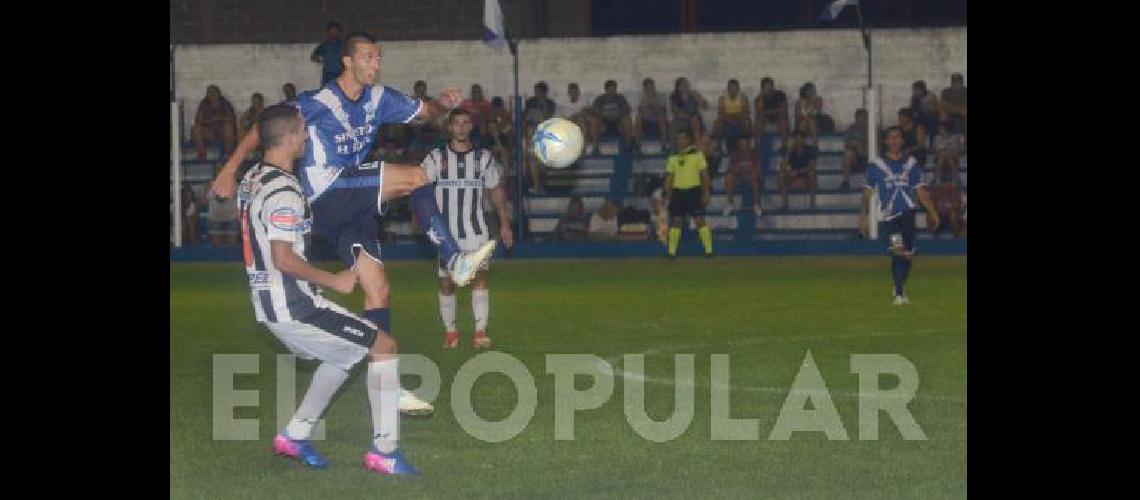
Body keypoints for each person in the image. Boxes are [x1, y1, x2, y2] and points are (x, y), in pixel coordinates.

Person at [211, 31, 496, 416]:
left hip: (352, 208)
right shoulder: (318, 102)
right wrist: (230, 169)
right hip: (326, 192)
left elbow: (425, 113)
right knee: (416, 177)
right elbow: (265, 127)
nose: (374, 65)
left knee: (378, 289)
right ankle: (454, 258)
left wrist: (443, 105)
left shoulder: (381, 99)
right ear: (347, 61)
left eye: (378, 57)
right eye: (367, 57)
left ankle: (387, 387)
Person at [239, 104, 417, 474]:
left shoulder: (253, 177)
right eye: (303, 130)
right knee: (384, 346)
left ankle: (294, 435)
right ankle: (385, 452)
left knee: (343, 357)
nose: (307, 136)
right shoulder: (285, 191)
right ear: (288, 137)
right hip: (295, 306)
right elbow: (284, 257)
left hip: (272, 303)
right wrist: (334, 279)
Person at [421, 108, 514, 350]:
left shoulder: (484, 158)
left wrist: (504, 222)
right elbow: (419, 188)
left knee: (479, 279)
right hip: (446, 233)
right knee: (446, 283)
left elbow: (495, 190)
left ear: (471, 127)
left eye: (465, 123)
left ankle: (480, 332)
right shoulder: (435, 158)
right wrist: (421, 218)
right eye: (457, 123)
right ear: (449, 128)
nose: (461, 127)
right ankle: (451, 333)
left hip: (476, 231)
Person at [859, 126, 940, 305]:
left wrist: (932, 212)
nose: (894, 141)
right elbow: (867, 193)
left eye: (897, 137)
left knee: (908, 254)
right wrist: (863, 216)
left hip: (908, 215)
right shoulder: (876, 166)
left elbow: (920, 191)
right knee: (897, 252)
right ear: (885, 141)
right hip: (889, 218)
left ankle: (899, 285)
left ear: (902, 141)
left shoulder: (911, 164)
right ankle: (899, 293)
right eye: (891, 137)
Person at [663, 129, 713, 258]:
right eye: (678, 139)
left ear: (688, 140)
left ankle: (709, 250)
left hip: (694, 190)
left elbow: (704, 175)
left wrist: (706, 192)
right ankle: (671, 252)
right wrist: (666, 194)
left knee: (700, 220)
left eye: (682, 138)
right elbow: (669, 177)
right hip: (678, 192)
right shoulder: (673, 157)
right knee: (676, 221)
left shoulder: (697, 155)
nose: (679, 141)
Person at [191, 85, 237, 161]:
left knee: (229, 128)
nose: (212, 95)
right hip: (209, 131)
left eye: (214, 92)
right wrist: (211, 120)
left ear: (219, 93)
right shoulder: (204, 104)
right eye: (210, 93)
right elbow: (198, 120)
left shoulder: (225, 103)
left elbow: (232, 119)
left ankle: (228, 154)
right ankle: (202, 154)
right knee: (195, 130)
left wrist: (220, 117)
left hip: (222, 131)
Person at [723, 136, 762, 216]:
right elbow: (730, 168)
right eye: (741, 144)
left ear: (748, 144)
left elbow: (757, 169)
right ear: (738, 144)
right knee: (728, 177)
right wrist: (739, 168)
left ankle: (756, 203)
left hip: (751, 178)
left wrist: (748, 170)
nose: (743, 146)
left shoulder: (754, 154)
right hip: (738, 178)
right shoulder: (734, 154)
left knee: (755, 177)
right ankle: (730, 204)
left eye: (745, 144)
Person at [778, 131, 818, 209]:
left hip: (806, 177)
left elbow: (811, 166)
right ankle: (785, 204)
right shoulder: (791, 151)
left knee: (812, 174)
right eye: (796, 139)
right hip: (793, 178)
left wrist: (798, 172)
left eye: (800, 139)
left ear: (804, 140)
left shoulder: (810, 150)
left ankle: (813, 201)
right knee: (781, 175)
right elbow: (782, 167)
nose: (798, 142)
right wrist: (789, 152)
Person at [714, 79, 752, 153]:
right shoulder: (722, 99)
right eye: (731, 87)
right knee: (717, 123)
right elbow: (721, 113)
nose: (733, 89)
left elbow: (746, 112)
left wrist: (735, 117)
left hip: (740, 119)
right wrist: (729, 118)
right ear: (728, 89)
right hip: (726, 120)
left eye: (735, 87)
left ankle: (747, 146)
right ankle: (719, 147)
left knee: (747, 122)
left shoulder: (743, 98)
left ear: (738, 88)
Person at [754, 77, 790, 151]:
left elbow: (784, 110)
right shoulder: (759, 98)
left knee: (782, 120)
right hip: (765, 119)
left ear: (773, 86)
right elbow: (759, 112)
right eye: (766, 87)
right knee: (759, 120)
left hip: (778, 118)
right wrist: (761, 96)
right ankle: (757, 145)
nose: (768, 88)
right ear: (762, 88)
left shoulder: (781, 94)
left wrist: (768, 112)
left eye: (770, 86)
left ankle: (784, 145)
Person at [634, 78, 669, 150]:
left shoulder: (661, 96)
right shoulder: (641, 98)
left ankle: (664, 144)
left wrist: (654, 102)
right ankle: (637, 144)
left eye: (651, 86)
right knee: (638, 117)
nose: (650, 88)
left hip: (658, 119)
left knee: (661, 117)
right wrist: (647, 105)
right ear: (645, 88)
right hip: (646, 120)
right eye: (648, 87)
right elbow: (640, 110)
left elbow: (663, 110)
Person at [841, 108, 870, 190]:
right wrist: (855, 145)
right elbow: (847, 144)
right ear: (856, 118)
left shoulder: (871, 129)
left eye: (865, 118)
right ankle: (846, 181)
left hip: (868, 155)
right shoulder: (851, 129)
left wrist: (862, 145)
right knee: (847, 154)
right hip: (856, 156)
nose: (863, 120)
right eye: (861, 118)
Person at [311, 22, 344, 86]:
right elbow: (313, 57)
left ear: (339, 32)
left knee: (341, 93)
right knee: (326, 92)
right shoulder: (324, 45)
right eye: (332, 30)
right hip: (328, 74)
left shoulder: (342, 45)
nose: (334, 32)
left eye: (336, 31)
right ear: (328, 32)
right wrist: (322, 61)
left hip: (340, 74)